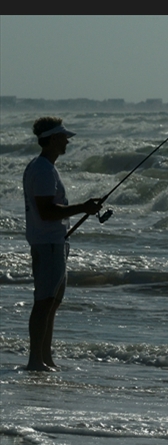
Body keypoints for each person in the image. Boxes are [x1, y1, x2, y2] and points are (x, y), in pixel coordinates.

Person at [23, 117, 103, 371]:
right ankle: (35, 360)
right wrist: (83, 208)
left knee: (52, 302)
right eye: (64, 137)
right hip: (47, 243)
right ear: (54, 139)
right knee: (44, 301)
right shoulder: (43, 170)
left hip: (54, 242)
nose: (68, 140)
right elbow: (46, 211)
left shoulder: (43, 167)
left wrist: (82, 210)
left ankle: (45, 358)